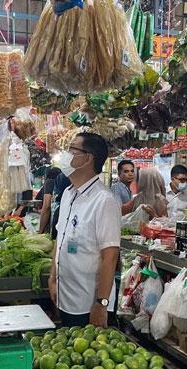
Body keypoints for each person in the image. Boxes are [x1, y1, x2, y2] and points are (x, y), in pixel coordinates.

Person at [49, 133, 121, 327]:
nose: (66, 154)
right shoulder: (68, 193)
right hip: (66, 298)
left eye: (72, 149)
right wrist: (52, 278)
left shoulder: (104, 200)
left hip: (89, 304)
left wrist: (102, 304)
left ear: (88, 158)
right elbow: (61, 238)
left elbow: (110, 255)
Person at [37, 167, 63, 235]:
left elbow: (47, 206)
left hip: (53, 222)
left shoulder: (50, 182)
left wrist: (40, 230)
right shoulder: (63, 185)